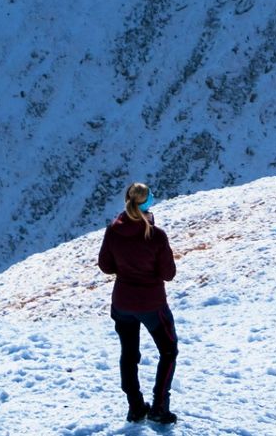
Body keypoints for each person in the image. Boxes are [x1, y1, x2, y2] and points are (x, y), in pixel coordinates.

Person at [98, 181, 179, 424]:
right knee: (168, 350)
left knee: (129, 353)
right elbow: (169, 273)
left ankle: (135, 407)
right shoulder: (155, 235)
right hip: (152, 304)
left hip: (122, 302)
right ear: (147, 203)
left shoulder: (113, 230)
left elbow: (105, 266)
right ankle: (159, 407)